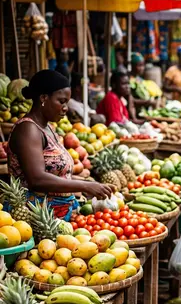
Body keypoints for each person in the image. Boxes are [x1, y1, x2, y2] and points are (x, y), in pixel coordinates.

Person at [8, 70, 114, 221]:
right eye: (61, 101)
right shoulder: (28, 129)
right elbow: (37, 179)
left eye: (67, 102)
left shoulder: (48, 127)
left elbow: (57, 174)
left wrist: (88, 183)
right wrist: (84, 186)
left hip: (59, 214)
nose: (66, 108)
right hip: (36, 217)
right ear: (43, 98)